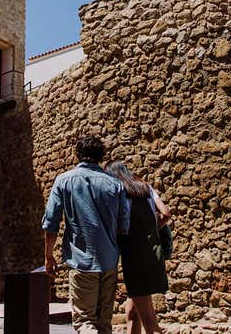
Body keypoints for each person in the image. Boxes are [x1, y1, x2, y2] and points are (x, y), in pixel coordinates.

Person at [42, 136, 130, 334]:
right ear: (101, 156)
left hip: (82, 259)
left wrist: (48, 256)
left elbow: (51, 222)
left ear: (78, 154)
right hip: (109, 260)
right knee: (104, 322)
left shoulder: (63, 180)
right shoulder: (115, 184)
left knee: (84, 321)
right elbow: (124, 224)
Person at [104, 160, 171, 334]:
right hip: (153, 251)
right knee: (132, 312)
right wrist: (151, 230)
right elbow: (165, 214)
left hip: (134, 257)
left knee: (149, 320)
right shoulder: (145, 187)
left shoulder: (119, 192)